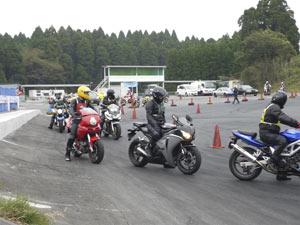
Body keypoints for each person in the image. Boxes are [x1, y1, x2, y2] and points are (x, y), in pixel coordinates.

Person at [259, 91, 300, 181]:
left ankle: (281, 173)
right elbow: (283, 117)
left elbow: (283, 120)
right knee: (283, 141)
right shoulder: (274, 107)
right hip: (267, 133)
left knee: (286, 146)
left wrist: (295, 125)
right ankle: (273, 159)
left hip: (270, 132)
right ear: (282, 101)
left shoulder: (272, 106)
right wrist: (297, 124)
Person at [65, 86, 96, 161]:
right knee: (72, 136)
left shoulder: (87, 101)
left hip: (85, 119)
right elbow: (71, 108)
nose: (87, 94)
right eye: (86, 93)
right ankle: (67, 153)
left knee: (94, 128)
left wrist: (97, 114)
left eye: (88, 93)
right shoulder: (75, 101)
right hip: (76, 120)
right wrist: (74, 115)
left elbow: (93, 108)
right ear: (81, 92)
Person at [145, 86, 167, 157]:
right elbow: (149, 116)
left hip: (160, 123)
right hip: (151, 124)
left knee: (168, 133)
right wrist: (155, 124)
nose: (162, 98)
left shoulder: (161, 104)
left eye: (163, 96)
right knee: (157, 134)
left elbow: (162, 114)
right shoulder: (150, 104)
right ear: (156, 96)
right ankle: (148, 148)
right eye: (161, 97)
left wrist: (165, 123)